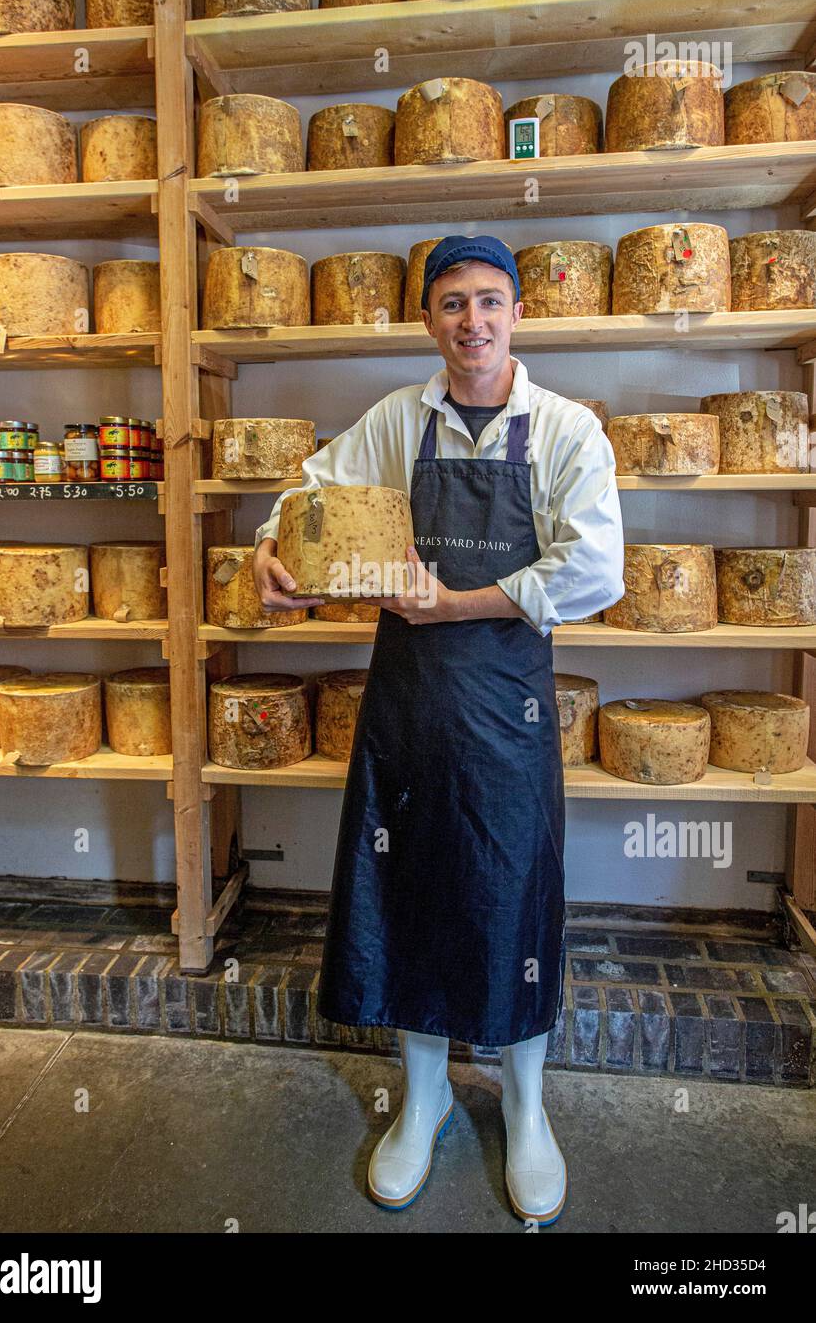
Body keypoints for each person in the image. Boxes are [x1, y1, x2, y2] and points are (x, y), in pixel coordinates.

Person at [253, 235, 625, 1224]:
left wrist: (457, 602)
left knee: (510, 901)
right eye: (452, 302)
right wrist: (268, 551)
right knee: (407, 894)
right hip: (409, 709)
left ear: (515, 313)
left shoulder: (558, 430)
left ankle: (526, 1109)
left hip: (506, 716)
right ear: (428, 319)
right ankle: (418, 1105)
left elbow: (595, 570)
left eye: (490, 301)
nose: (472, 321)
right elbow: (307, 493)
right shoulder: (395, 423)